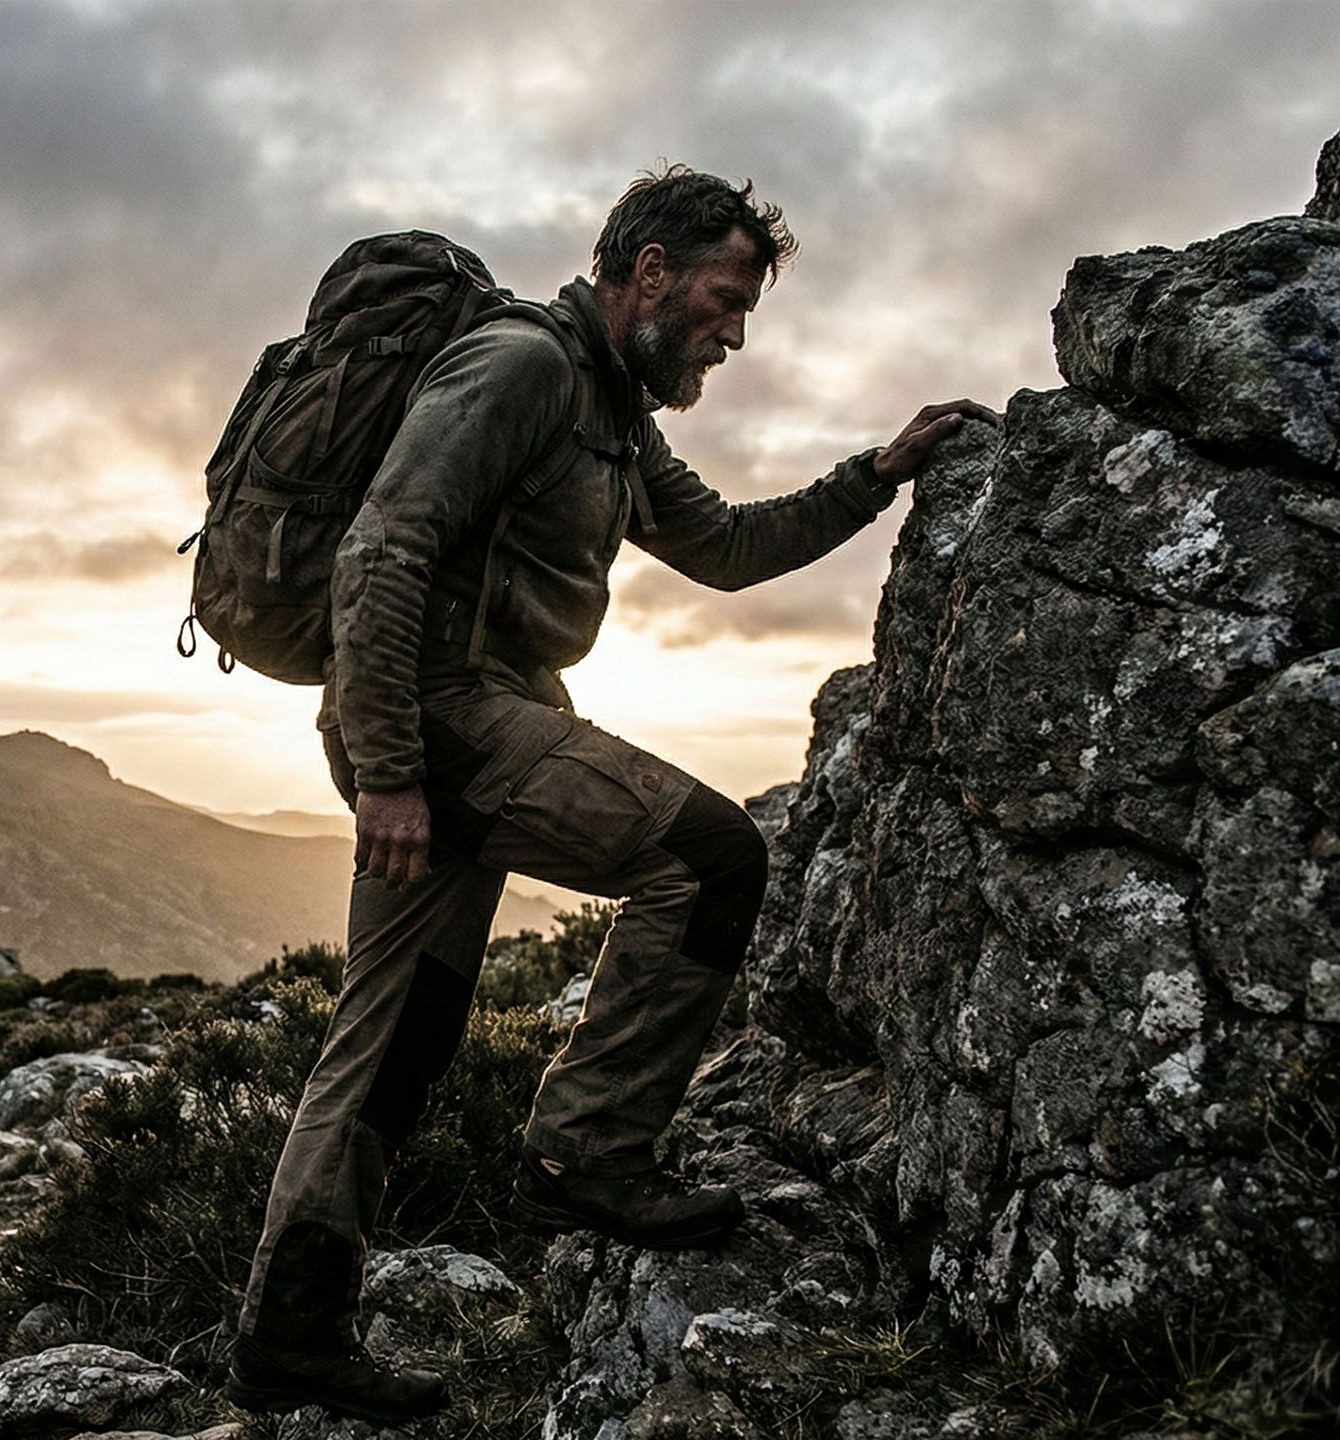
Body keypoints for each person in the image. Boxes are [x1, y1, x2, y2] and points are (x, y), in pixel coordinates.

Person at [222, 166, 997, 1425]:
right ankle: (587, 1148)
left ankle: (288, 1337)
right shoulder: (523, 367)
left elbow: (727, 548)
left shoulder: (615, 413)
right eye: (722, 300)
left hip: (458, 726)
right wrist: (392, 773)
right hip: (442, 724)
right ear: (648, 270)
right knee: (709, 858)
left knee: (394, 1036)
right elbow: (383, 547)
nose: (732, 334)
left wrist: (876, 472)